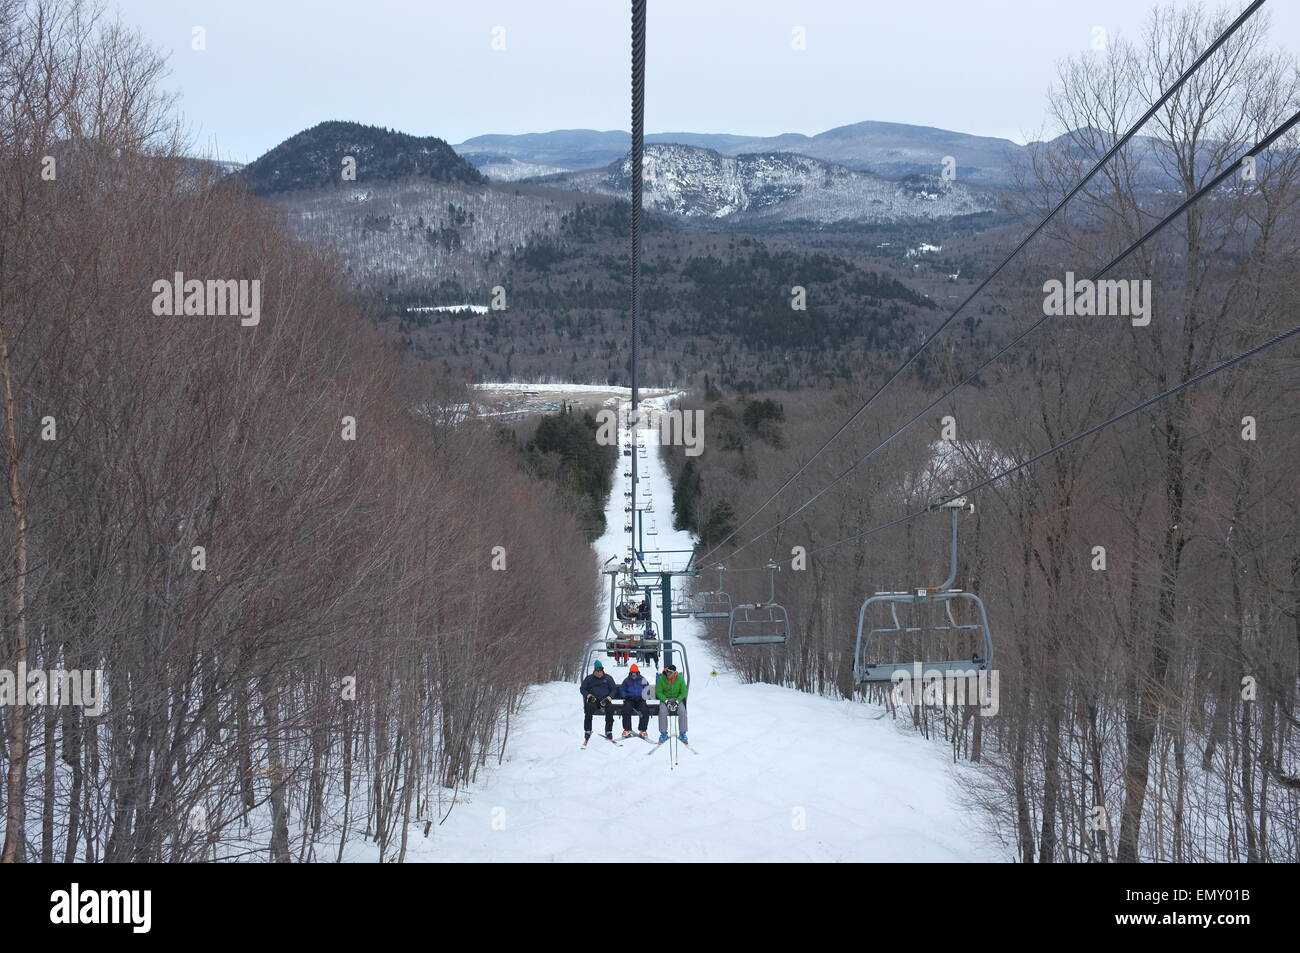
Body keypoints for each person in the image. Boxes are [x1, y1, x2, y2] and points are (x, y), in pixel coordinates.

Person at [580, 660, 618, 742]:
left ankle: (608, 730)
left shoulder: (608, 678)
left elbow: (614, 689)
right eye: (598, 671)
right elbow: (582, 688)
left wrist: (609, 698)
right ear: (594, 671)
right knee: (589, 708)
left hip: (605, 699)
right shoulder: (589, 679)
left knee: (610, 708)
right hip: (593, 699)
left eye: (601, 671)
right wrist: (588, 695)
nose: (599, 673)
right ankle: (588, 730)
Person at [655, 664, 688, 743]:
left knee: (682, 711)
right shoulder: (662, 679)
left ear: (674, 673)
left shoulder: (679, 679)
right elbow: (659, 692)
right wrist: (666, 701)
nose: (668, 674)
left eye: (670, 673)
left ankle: (682, 733)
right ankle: (663, 734)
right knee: (662, 712)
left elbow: (684, 692)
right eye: (667, 672)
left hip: (677, 699)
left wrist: (677, 701)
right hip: (665, 699)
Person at [619, 663, 651, 738]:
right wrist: (626, 696)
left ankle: (643, 730)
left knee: (645, 710)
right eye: (632, 674)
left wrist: (643, 696)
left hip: (640, 699)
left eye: (635, 674)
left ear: (638, 673)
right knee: (626, 709)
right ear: (630, 673)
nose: (633, 676)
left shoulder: (643, 679)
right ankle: (627, 729)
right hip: (630, 699)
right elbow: (622, 689)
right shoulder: (627, 681)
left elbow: (648, 690)